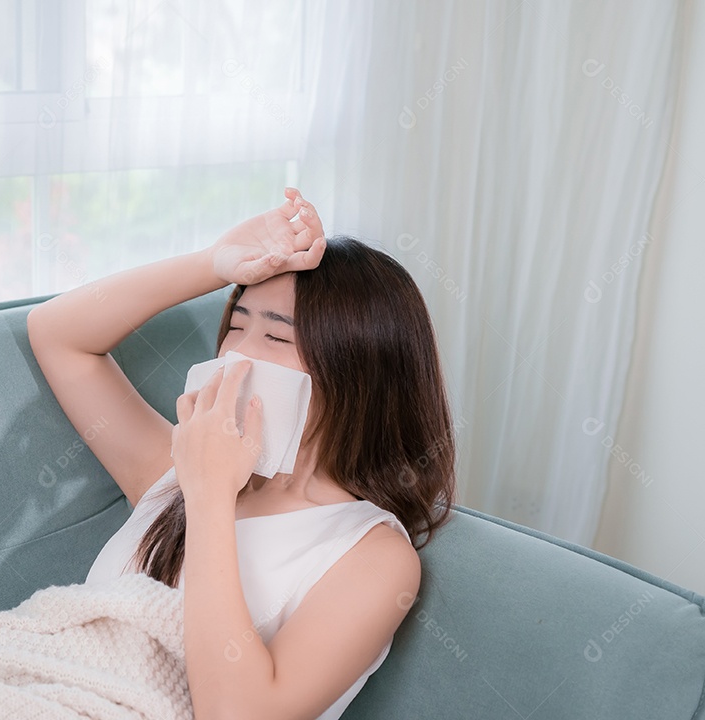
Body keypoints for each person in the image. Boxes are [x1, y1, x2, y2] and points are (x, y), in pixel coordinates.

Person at [26, 187, 457, 720]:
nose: (236, 355)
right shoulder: (174, 470)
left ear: (357, 374)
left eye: (276, 339)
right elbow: (56, 334)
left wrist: (209, 496)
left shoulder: (372, 555)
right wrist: (214, 262)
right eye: (235, 325)